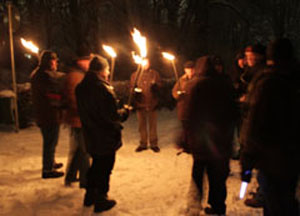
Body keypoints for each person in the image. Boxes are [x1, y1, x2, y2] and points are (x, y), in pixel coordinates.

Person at [240, 38, 300, 216]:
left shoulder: (268, 82)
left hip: (272, 157)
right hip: (292, 157)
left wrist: (247, 157)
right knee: (286, 200)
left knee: (275, 204)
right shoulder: (294, 78)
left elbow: (255, 123)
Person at [179, 56, 238, 215]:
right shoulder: (225, 85)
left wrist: (184, 137)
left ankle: (194, 205)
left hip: (200, 141)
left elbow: (187, 114)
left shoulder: (194, 85)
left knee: (198, 172)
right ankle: (218, 206)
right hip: (220, 140)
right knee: (218, 177)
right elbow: (234, 112)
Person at [76, 55, 129, 213]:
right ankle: (101, 199)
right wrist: (124, 112)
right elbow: (111, 116)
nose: (108, 72)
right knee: (105, 167)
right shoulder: (102, 89)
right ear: (101, 70)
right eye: (106, 69)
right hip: (104, 136)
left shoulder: (81, 87)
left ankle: (90, 195)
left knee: (96, 166)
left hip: (90, 134)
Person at [31, 50, 65, 178]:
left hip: (44, 113)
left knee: (51, 140)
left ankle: (51, 162)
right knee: (50, 141)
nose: (56, 63)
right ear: (50, 62)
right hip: (48, 114)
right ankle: (47, 169)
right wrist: (62, 103)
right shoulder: (44, 76)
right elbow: (51, 95)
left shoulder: (39, 74)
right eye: (54, 60)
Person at [63, 50, 91, 188]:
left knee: (80, 149)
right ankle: (86, 181)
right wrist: (85, 111)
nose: (89, 63)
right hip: (79, 118)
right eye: (88, 61)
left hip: (79, 118)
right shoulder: (75, 77)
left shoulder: (80, 75)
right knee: (84, 150)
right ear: (81, 61)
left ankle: (71, 176)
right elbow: (74, 99)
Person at [130, 59, 162, 152]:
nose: (145, 65)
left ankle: (153, 143)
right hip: (140, 103)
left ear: (149, 64)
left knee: (153, 125)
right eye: (143, 63)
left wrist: (156, 87)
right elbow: (131, 88)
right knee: (142, 125)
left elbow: (160, 85)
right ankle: (143, 143)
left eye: (147, 63)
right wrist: (135, 91)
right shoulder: (135, 75)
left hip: (152, 103)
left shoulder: (154, 74)